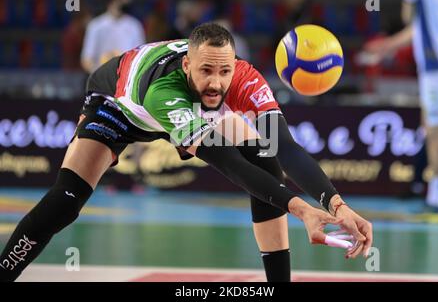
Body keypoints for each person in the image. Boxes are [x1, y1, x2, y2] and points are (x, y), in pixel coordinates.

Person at [0, 23, 372, 282]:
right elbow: (226, 162)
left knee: (265, 153)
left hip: (187, 109)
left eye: (224, 71)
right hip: (119, 105)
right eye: (206, 70)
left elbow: (285, 147)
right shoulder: (166, 89)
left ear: (235, 67)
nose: (216, 82)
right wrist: (302, 208)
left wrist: (338, 205)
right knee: (65, 202)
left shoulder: (241, 77)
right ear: (187, 65)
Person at [365, 0, 438, 213]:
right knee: (434, 131)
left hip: (437, 69)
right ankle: (435, 192)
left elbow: (408, 18)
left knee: (436, 133)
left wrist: (387, 44)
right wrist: (389, 46)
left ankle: (436, 197)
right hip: (437, 68)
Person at [80, 0, 145, 73]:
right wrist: (100, 75)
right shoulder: (96, 25)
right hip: (101, 76)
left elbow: (141, 55)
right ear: (113, 0)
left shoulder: (134, 25)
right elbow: (86, 59)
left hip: (126, 77)